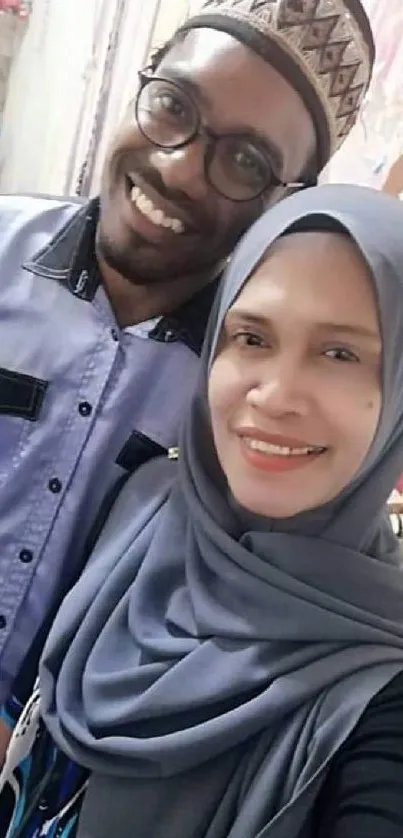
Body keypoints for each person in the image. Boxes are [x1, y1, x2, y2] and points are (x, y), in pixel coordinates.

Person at [0, 0, 375, 711]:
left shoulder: (256, 392)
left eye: (244, 160)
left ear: (286, 197)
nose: (177, 170)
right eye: (172, 105)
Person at [3, 182, 403, 837]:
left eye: (340, 353)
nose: (274, 396)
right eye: (250, 337)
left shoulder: (375, 691)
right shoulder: (145, 508)